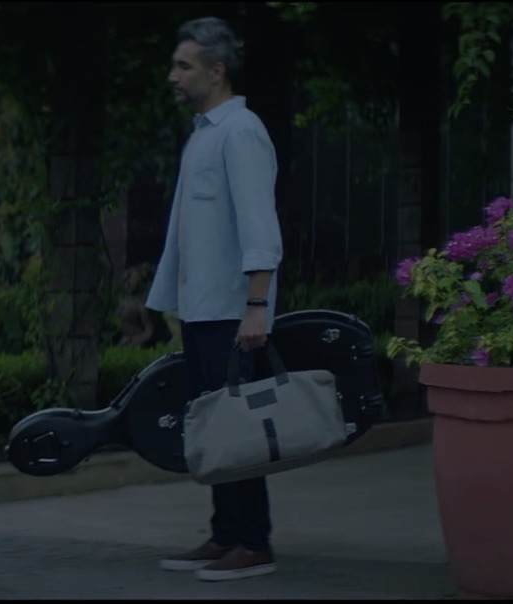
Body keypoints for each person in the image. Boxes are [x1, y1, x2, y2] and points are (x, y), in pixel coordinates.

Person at [145, 16, 284, 582]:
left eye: (184, 66)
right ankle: (226, 533)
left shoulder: (240, 131)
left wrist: (257, 305)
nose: (173, 76)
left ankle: (254, 543)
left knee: (238, 431)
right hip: (203, 309)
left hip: (234, 311)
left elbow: (259, 224)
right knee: (214, 427)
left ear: (216, 71)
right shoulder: (205, 133)